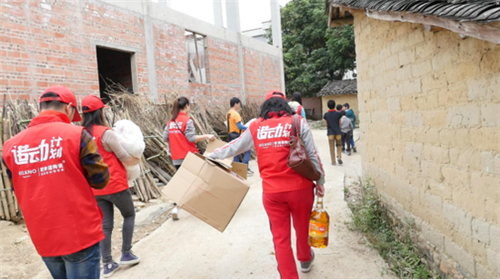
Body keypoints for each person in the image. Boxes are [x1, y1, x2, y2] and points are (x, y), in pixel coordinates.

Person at [208, 90, 325, 279]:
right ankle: (304, 259)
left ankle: (289, 276)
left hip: (273, 194)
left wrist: (211, 155)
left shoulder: (255, 126)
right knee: (302, 226)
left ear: (265, 106)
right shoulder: (297, 122)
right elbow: (312, 154)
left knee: (280, 239)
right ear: (284, 104)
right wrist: (320, 181)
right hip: (301, 189)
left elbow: (234, 146)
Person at [2, 85, 110, 279]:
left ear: (41, 106)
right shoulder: (77, 134)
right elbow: (100, 180)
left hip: (43, 235)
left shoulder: (11, 146)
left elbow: (18, 183)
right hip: (79, 232)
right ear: (68, 108)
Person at [81, 95, 142, 278]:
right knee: (129, 214)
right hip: (114, 183)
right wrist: (137, 159)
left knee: (105, 224)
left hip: (95, 187)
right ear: (100, 112)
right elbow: (123, 156)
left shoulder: (80, 133)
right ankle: (126, 253)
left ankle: (107, 264)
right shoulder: (106, 133)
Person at [163, 96, 215, 220]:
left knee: (183, 182)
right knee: (202, 179)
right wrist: (207, 136)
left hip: (176, 158)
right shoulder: (187, 120)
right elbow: (191, 138)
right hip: (190, 156)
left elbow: (165, 138)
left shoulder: (171, 122)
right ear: (186, 106)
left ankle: (176, 207)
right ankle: (204, 207)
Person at [226, 97, 254, 175]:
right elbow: (239, 126)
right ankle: (245, 167)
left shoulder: (228, 113)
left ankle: (236, 169)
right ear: (236, 104)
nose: (239, 106)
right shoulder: (236, 114)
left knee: (236, 152)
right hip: (238, 135)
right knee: (248, 150)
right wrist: (248, 127)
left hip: (231, 135)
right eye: (239, 104)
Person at [323, 101, 343, 165]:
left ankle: (333, 161)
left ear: (328, 106)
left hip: (330, 133)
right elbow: (340, 123)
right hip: (338, 132)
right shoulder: (338, 114)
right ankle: (339, 156)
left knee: (331, 147)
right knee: (339, 145)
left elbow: (326, 125)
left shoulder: (326, 115)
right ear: (334, 106)